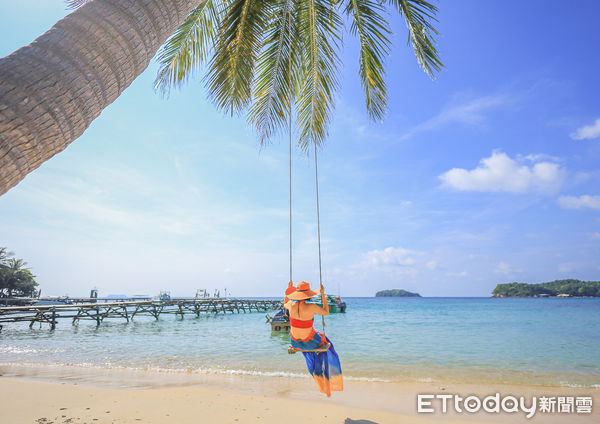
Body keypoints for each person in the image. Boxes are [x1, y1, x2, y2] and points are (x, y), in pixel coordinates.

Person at [284, 281, 343, 396]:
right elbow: (326, 312)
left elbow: (285, 302)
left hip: (295, 342)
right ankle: (321, 374)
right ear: (308, 295)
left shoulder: (290, 304)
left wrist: (288, 290)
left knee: (313, 339)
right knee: (324, 341)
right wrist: (323, 296)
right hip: (310, 343)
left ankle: (317, 373)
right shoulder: (311, 307)